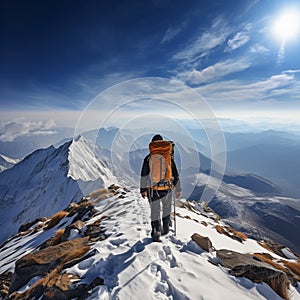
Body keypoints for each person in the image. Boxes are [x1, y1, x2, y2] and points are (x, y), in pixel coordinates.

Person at [140, 134, 181, 241]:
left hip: (153, 190)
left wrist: (143, 190)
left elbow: (144, 175)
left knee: (155, 210)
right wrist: (178, 189)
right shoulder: (169, 157)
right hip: (167, 188)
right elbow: (175, 174)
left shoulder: (149, 158)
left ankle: (156, 230)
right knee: (167, 209)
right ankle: (166, 228)